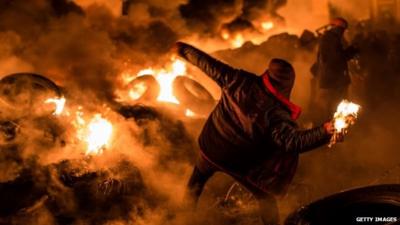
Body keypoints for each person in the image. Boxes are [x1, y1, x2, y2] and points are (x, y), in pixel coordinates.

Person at [174, 41, 337, 225]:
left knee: (196, 181)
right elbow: (293, 142)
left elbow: (207, 63)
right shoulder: (277, 113)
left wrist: (184, 50)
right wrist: (324, 131)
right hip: (239, 162)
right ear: (287, 86)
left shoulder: (238, 79)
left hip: (211, 147)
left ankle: (183, 218)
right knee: (266, 199)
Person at [315, 17, 358, 120]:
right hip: (333, 81)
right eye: (342, 29)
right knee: (334, 105)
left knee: (334, 105)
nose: (342, 32)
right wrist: (352, 50)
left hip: (333, 79)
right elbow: (337, 58)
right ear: (337, 28)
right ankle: (333, 128)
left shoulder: (330, 38)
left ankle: (334, 125)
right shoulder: (330, 38)